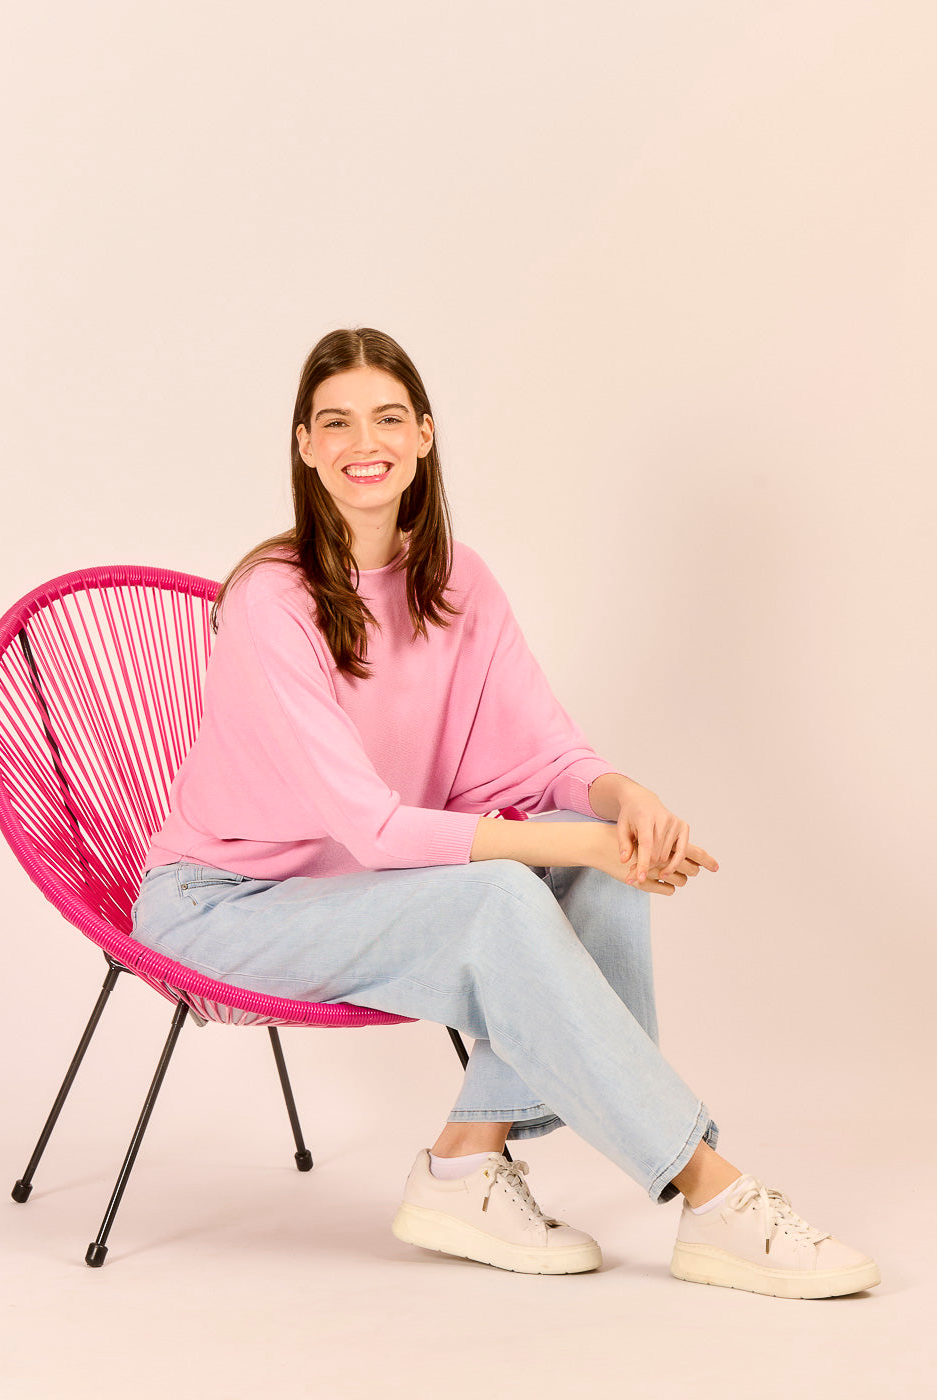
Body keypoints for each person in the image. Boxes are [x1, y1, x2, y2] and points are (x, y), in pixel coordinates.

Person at [130, 326, 879, 1299]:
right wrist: (582, 845)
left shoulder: (456, 581)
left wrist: (624, 801)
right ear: (305, 445)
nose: (365, 441)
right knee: (505, 891)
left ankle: (464, 1165)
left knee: (594, 865)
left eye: (388, 417)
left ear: (424, 433)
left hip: (362, 898)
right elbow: (377, 830)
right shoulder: (272, 602)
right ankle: (713, 1193)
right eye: (337, 422)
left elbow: (548, 753)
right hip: (222, 907)